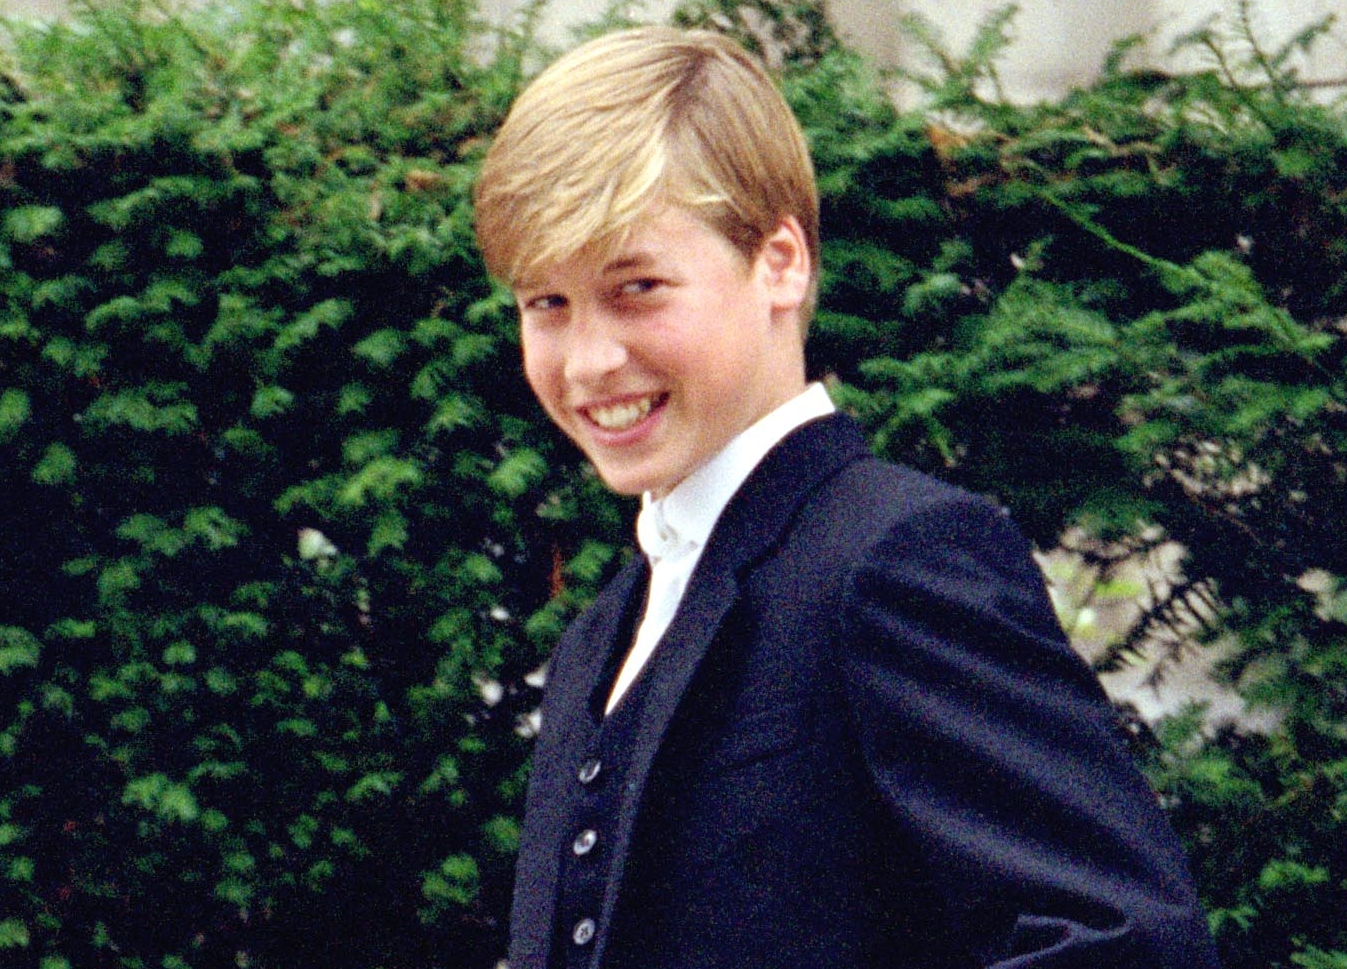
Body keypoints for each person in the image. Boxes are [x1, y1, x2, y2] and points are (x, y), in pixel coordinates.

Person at [471, 25, 1222, 969]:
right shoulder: (598, 639)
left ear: (779, 260)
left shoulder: (899, 559)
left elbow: (1126, 945)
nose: (587, 361)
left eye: (638, 287)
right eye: (548, 303)